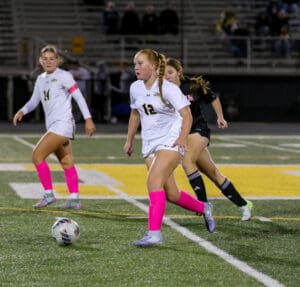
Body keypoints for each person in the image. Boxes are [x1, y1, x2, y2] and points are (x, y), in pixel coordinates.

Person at [123, 49, 216, 248]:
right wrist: (129, 140)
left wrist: (182, 138)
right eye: (135, 64)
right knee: (171, 194)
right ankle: (204, 207)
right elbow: (135, 114)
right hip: (150, 143)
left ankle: (154, 234)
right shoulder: (135, 88)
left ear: (154, 66)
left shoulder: (168, 88)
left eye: (140, 63)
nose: (136, 68)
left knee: (153, 182)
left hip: (171, 140)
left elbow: (187, 115)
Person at [164, 58, 253, 221]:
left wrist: (220, 117)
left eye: (170, 72)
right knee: (213, 174)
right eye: (164, 74)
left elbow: (213, 98)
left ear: (179, 72)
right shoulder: (163, 91)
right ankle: (244, 205)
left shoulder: (191, 85)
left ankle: (203, 205)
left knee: (187, 161)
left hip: (198, 129)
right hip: (182, 134)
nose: (167, 76)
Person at [12, 44, 96, 209]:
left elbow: (78, 97)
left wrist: (88, 119)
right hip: (53, 125)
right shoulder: (41, 79)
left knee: (37, 156)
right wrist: (22, 110)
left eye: (52, 58)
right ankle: (74, 199)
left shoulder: (64, 75)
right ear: (40, 61)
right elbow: (34, 101)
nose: (48, 61)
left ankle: (49, 195)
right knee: (66, 162)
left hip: (62, 124)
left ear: (58, 60)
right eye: (45, 59)